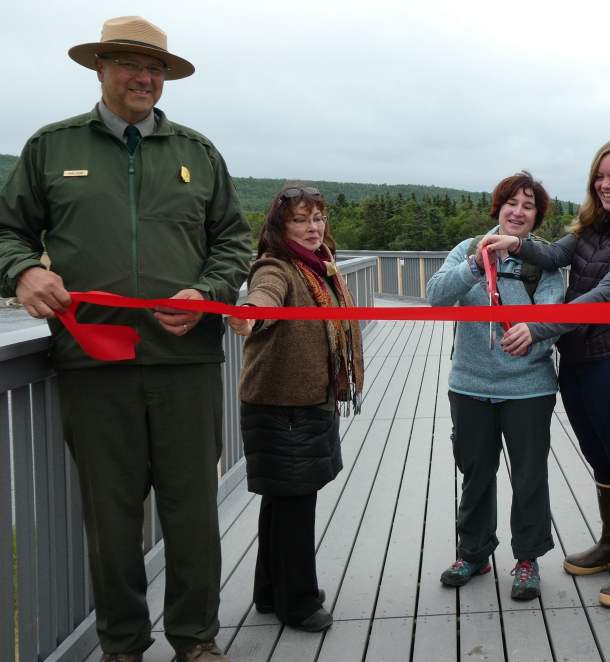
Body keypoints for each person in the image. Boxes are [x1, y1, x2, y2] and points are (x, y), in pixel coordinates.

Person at [0, 16, 250, 662]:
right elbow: (8, 230)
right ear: (100, 69)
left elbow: (233, 242)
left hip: (187, 363)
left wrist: (207, 292)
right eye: (129, 65)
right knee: (111, 521)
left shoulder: (197, 153)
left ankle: (195, 640)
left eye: (156, 69)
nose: (144, 78)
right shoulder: (50, 149)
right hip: (92, 363)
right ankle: (122, 646)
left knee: (192, 512)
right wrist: (23, 270)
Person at [479, 140, 610, 608]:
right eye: (601, 176)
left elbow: (606, 296)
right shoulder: (590, 227)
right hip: (580, 357)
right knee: (598, 451)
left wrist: (539, 325)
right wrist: (516, 244)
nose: (607, 184)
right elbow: (554, 256)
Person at [227, 186, 363, 633]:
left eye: (319, 218)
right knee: (295, 505)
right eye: (301, 220)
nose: (313, 228)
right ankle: (299, 602)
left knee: (282, 502)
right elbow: (264, 295)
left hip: (304, 401)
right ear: (280, 227)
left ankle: (270, 590)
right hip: (281, 404)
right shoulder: (277, 266)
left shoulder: (320, 268)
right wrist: (250, 311)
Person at [426, 171, 565, 600]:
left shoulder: (544, 261)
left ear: (536, 216)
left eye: (528, 206)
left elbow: (554, 315)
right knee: (475, 472)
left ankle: (527, 559)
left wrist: (533, 330)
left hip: (528, 388)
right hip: (469, 385)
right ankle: (474, 553)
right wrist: (475, 265)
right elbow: (435, 295)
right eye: (512, 203)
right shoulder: (468, 249)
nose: (518, 212)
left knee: (528, 477)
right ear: (498, 208)